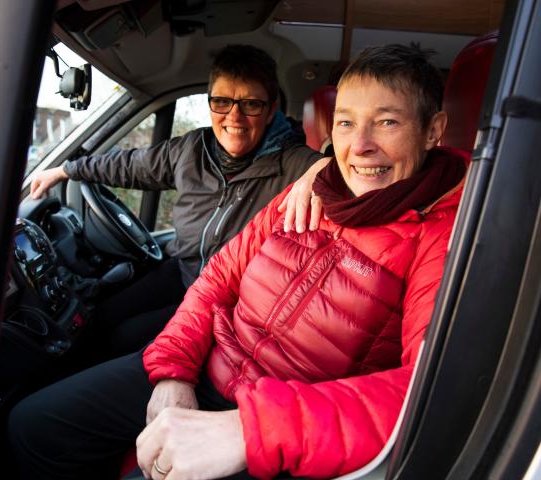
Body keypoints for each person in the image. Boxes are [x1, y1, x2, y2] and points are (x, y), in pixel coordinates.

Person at [9, 44, 468, 479]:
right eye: (346, 123)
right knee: (33, 426)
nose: (361, 145)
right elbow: (217, 278)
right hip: (212, 357)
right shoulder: (306, 188)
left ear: (433, 130)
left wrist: (253, 428)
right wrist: (173, 370)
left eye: (387, 122)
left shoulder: (443, 231)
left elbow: (431, 390)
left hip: (283, 415)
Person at [30, 44, 326, 357]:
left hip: (227, 302)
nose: (234, 116)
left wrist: (322, 168)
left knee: (124, 339)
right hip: (181, 271)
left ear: (270, 110)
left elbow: (348, 179)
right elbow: (130, 164)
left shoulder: (294, 164)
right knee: (102, 317)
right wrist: (66, 170)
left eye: (251, 104)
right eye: (222, 102)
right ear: (210, 103)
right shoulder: (192, 149)